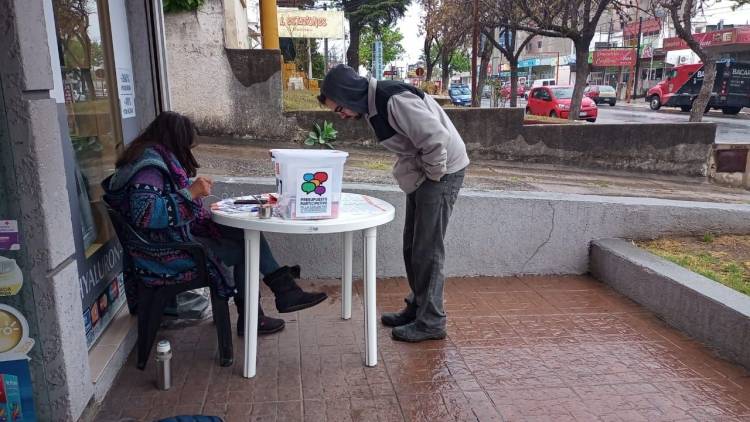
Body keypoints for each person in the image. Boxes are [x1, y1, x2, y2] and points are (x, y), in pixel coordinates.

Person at [103, 111, 327, 336]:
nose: (188, 153)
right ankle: (258, 314)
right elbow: (146, 214)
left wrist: (192, 199)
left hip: (169, 241)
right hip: (167, 253)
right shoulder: (149, 169)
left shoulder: (146, 158)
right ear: (175, 141)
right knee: (248, 248)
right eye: (187, 146)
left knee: (245, 233)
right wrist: (191, 193)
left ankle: (281, 295)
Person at [317, 65, 470, 342]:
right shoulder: (374, 105)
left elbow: (436, 138)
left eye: (339, 109)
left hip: (441, 171)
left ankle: (432, 321)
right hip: (428, 173)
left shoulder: (392, 99)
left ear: (348, 95)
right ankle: (417, 308)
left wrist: (434, 176)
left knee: (428, 249)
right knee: (413, 246)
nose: (342, 116)